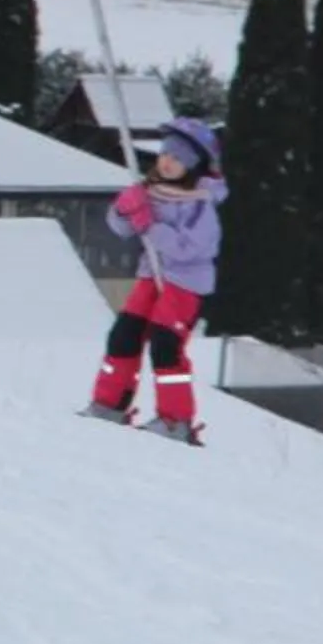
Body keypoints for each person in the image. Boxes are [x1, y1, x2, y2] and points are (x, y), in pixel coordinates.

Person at [81, 115, 226, 443]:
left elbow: (191, 249)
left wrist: (151, 227)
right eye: (165, 154)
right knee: (123, 336)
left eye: (177, 158)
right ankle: (109, 404)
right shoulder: (151, 192)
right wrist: (124, 211)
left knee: (165, 345)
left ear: (193, 166)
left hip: (185, 284)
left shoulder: (201, 205)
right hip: (150, 276)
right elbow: (121, 229)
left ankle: (176, 420)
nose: (167, 162)